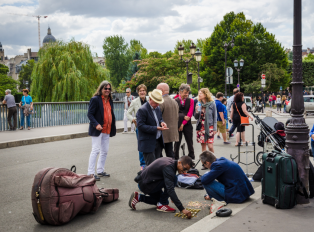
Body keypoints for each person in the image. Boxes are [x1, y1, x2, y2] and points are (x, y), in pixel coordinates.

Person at [129, 156, 193, 216]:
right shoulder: (169, 168)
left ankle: (139, 197)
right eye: (184, 168)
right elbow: (170, 189)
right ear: (179, 162)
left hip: (147, 181)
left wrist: (172, 197)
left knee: (163, 200)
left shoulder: (172, 161)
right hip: (145, 185)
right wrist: (182, 209)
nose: (184, 172)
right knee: (174, 179)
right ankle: (161, 204)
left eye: (186, 170)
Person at [87, 81, 116, 180]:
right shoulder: (95, 99)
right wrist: (96, 124)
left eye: (109, 89)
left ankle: (100, 170)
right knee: (95, 150)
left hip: (107, 129)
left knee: (105, 151)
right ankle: (90, 173)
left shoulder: (110, 100)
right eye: (105, 88)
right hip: (98, 129)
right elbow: (90, 114)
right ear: (101, 89)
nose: (107, 90)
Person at [136, 89, 168, 166]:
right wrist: (156, 128)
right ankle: (148, 178)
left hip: (158, 140)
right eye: (156, 102)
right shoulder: (142, 110)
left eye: (158, 103)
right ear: (150, 99)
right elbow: (140, 126)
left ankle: (155, 178)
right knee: (150, 167)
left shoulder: (157, 108)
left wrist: (162, 122)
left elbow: (159, 118)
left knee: (157, 165)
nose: (157, 104)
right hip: (148, 143)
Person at [127, 84, 148, 170]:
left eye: (143, 91)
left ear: (146, 92)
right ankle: (143, 164)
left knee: (151, 145)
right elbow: (128, 113)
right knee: (141, 145)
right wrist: (133, 119)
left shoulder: (150, 100)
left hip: (149, 126)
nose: (142, 92)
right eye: (140, 91)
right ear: (138, 92)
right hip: (139, 126)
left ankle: (150, 162)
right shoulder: (134, 102)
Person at [157, 83, 179, 158]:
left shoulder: (161, 102)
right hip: (172, 132)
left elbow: (157, 117)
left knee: (158, 154)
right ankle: (171, 167)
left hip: (163, 132)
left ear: (161, 91)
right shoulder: (174, 102)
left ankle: (162, 168)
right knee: (170, 153)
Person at [174, 84, 195, 160]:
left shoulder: (191, 101)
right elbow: (174, 113)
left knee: (190, 142)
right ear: (180, 92)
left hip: (187, 124)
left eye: (188, 92)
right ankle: (175, 159)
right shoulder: (175, 100)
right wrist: (183, 116)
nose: (187, 94)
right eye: (185, 92)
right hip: (177, 124)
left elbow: (189, 114)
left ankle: (191, 158)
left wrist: (182, 124)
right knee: (177, 143)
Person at [195, 88, 217, 153]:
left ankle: (214, 160)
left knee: (210, 146)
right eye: (199, 93)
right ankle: (204, 162)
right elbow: (196, 117)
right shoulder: (198, 104)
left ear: (205, 94)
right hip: (201, 127)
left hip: (209, 127)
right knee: (203, 146)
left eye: (201, 93)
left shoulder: (212, 104)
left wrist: (215, 128)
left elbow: (215, 117)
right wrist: (196, 111)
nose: (199, 94)